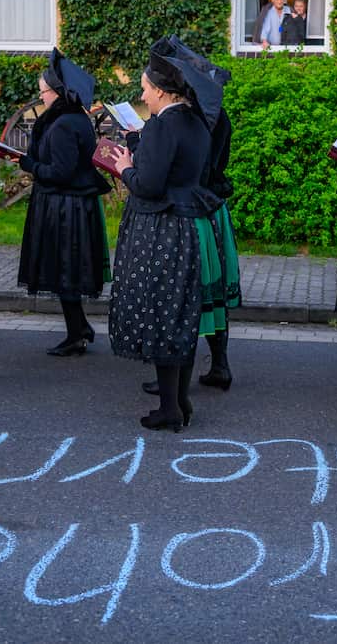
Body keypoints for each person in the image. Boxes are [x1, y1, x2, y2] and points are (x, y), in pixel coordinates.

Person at [109, 51, 221, 432]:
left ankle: (170, 408)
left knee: (160, 313)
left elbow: (150, 185)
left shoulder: (161, 125)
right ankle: (179, 400)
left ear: (160, 91)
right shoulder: (197, 122)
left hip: (160, 228)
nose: (143, 96)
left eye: (145, 89)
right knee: (181, 313)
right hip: (187, 225)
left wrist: (125, 168)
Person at [142, 35, 242, 392]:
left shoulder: (191, 118)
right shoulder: (211, 115)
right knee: (209, 292)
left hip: (192, 210)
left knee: (182, 294)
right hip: (213, 207)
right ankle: (220, 365)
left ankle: (172, 376)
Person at [9, 48, 112, 356]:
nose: (41, 98)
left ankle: (77, 333)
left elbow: (62, 172)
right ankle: (79, 329)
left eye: (44, 93)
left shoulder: (66, 123)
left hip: (66, 206)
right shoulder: (73, 117)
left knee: (66, 269)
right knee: (65, 270)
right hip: (68, 204)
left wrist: (30, 166)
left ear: (58, 92)